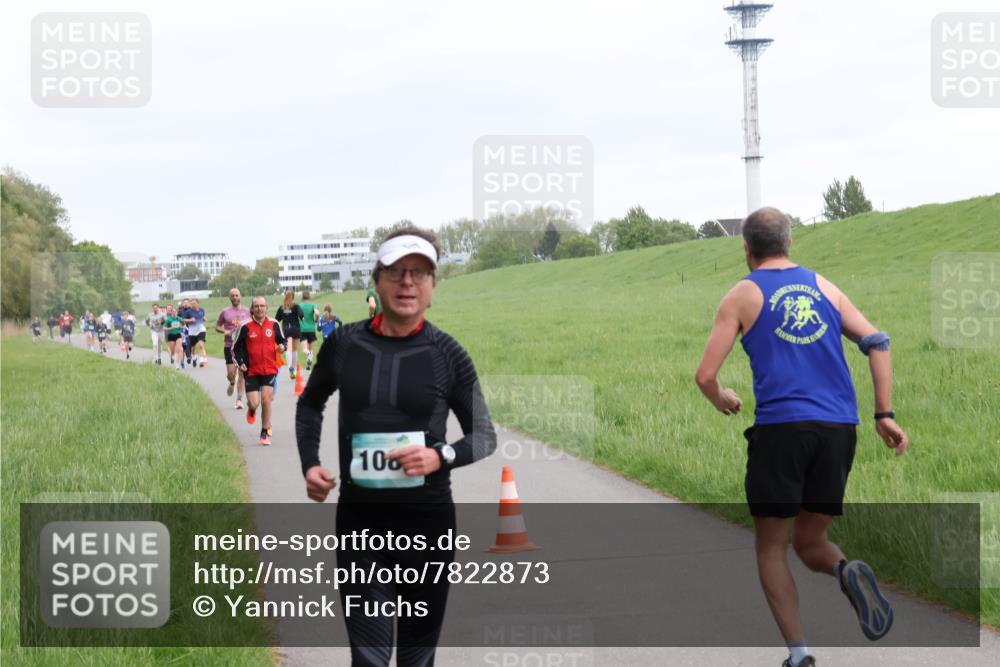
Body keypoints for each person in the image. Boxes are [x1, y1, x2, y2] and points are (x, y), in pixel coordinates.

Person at [694, 207, 909, 667]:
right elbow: (879, 342)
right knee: (810, 542)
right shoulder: (824, 287)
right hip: (838, 430)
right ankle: (845, 569)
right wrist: (884, 414)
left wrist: (722, 398)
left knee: (772, 546)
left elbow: (705, 374)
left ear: (746, 248)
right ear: (789, 243)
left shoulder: (741, 295)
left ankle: (800, 655)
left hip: (781, 431)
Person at [296, 226, 497, 667]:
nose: (408, 282)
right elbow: (310, 403)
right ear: (377, 280)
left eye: (420, 273)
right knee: (368, 659)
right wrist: (310, 465)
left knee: (415, 659)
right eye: (397, 272)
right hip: (360, 525)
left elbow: (484, 435)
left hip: (428, 526)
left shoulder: (449, 354)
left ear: (432, 289)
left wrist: (439, 456)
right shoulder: (344, 344)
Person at [232, 296, 286, 446]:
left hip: (269, 369)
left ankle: (264, 432)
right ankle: (251, 410)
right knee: (254, 403)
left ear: (266, 308)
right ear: (252, 309)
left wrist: (282, 347)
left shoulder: (274, 324)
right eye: (256, 306)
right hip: (251, 371)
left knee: (266, 400)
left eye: (262, 306)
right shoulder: (245, 326)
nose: (259, 308)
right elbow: (235, 348)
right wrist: (240, 363)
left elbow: (282, 341)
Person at [216, 288, 252, 410]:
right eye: (233, 296)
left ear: (240, 296)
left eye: (237, 295)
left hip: (243, 346)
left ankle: (239, 400)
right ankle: (232, 382)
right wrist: (225, 331)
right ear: (230, 298)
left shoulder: (248, 311)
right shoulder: (225, 312)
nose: (235, 297)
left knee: (241, 372)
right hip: (229, 346)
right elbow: (217, 326)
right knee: (231, 373)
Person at [274, 290, 303, 379]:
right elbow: (301, 315)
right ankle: (293, 368)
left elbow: (277, 319)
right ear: (293, 297)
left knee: (288, 349)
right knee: (294, 349)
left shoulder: (282, 307)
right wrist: (302, 318)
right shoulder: (296, 306)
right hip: (295, 329)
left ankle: (290, 367)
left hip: (286, 330)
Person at [298, 290, 318, 371]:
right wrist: (316, 319)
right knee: (310, 349)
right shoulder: (313, 305)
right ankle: (309, 364)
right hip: (311, 329)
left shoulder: (299, 306)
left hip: (302, 329)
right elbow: (317, 313)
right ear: (309, 297)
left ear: (302, 297)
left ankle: (309, 355)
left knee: (305, 349)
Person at [186, 298, 209, 367]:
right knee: (193, 347)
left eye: (194, 303)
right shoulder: (188, 312)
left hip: (201, 329)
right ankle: (194, 357)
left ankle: (202, 360)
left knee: (201, 345)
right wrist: (190, 320)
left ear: (198, 303)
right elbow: (183, 320)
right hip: (192, 331)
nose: (193, 305)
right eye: (192, 303)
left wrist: (205, 318)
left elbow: (202, 317)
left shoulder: (202, 310)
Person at [163, 305, 186, 369]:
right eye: (173, 311)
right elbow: (164, 327)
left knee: (178, 348)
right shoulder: (169, 319)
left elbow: (184, 326)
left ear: (177, 312)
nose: (174, 312)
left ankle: (177, 364)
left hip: (178, 334)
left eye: (175, 311)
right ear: (171, 313)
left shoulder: (180, 319)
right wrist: (170, 328)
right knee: (173, 351)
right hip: (171, 335)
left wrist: (181, 327)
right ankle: (173, 356)